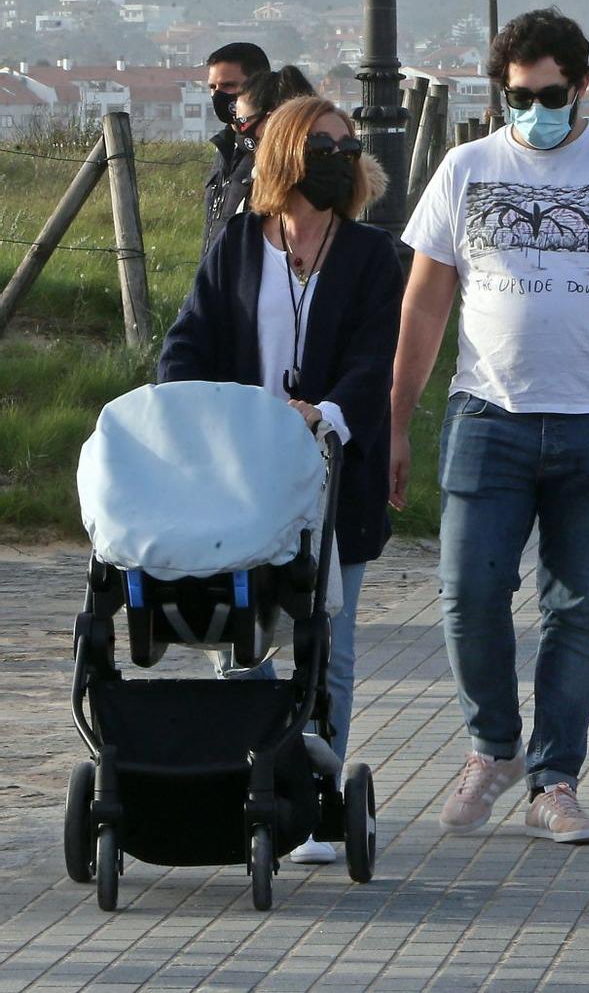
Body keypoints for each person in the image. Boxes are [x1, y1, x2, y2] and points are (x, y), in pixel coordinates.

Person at [392, 9, 589, 846]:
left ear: (584, 86)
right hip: (488, 416)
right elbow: (424, 303)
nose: (533, 109)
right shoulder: (466, 167)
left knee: (577, 609)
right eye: (517, 95)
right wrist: (397, 420)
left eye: (549, 93)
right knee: (469, 593)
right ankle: (492, 746)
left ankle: (554, 778)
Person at [159, 96, 401, 867]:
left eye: (348, 145)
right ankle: (239, 777)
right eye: (322, 144)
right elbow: (188, 342)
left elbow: (374, 362)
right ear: (286, 155)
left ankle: (316, 791)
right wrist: (198, 409)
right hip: (240, 472)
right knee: (238, 631)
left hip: (332, 472)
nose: (339, 156)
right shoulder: (237, 245)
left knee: (327, 634)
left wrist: (323, 413)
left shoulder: (369, 255)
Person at [221, 66, 319, 224]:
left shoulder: (302, 186)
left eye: (241, 123)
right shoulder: (249, 172)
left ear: (271, 120)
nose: (237, 130)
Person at [203, 41, 271, 253]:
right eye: (212, 88)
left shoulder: (276, 152)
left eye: (229, 86)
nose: (218, 96)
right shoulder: (226, 147)